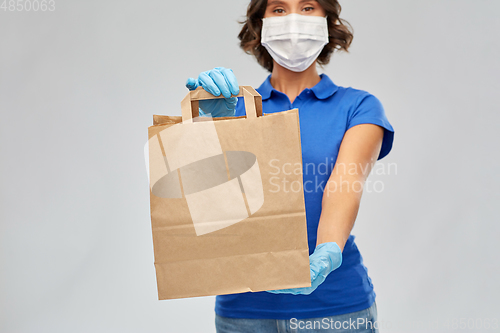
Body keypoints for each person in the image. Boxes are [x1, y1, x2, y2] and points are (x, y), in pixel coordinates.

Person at [185, 0, 394, 332]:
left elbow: (344, 184)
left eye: (308, 7)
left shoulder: (358, 107)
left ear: (327, 20)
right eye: (279, 9)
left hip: (336, 309)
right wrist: (205, 119)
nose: (294, 18)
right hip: (243, 310)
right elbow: (204, 196)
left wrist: (326, 252)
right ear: (260, 23)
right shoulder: (231, 105)